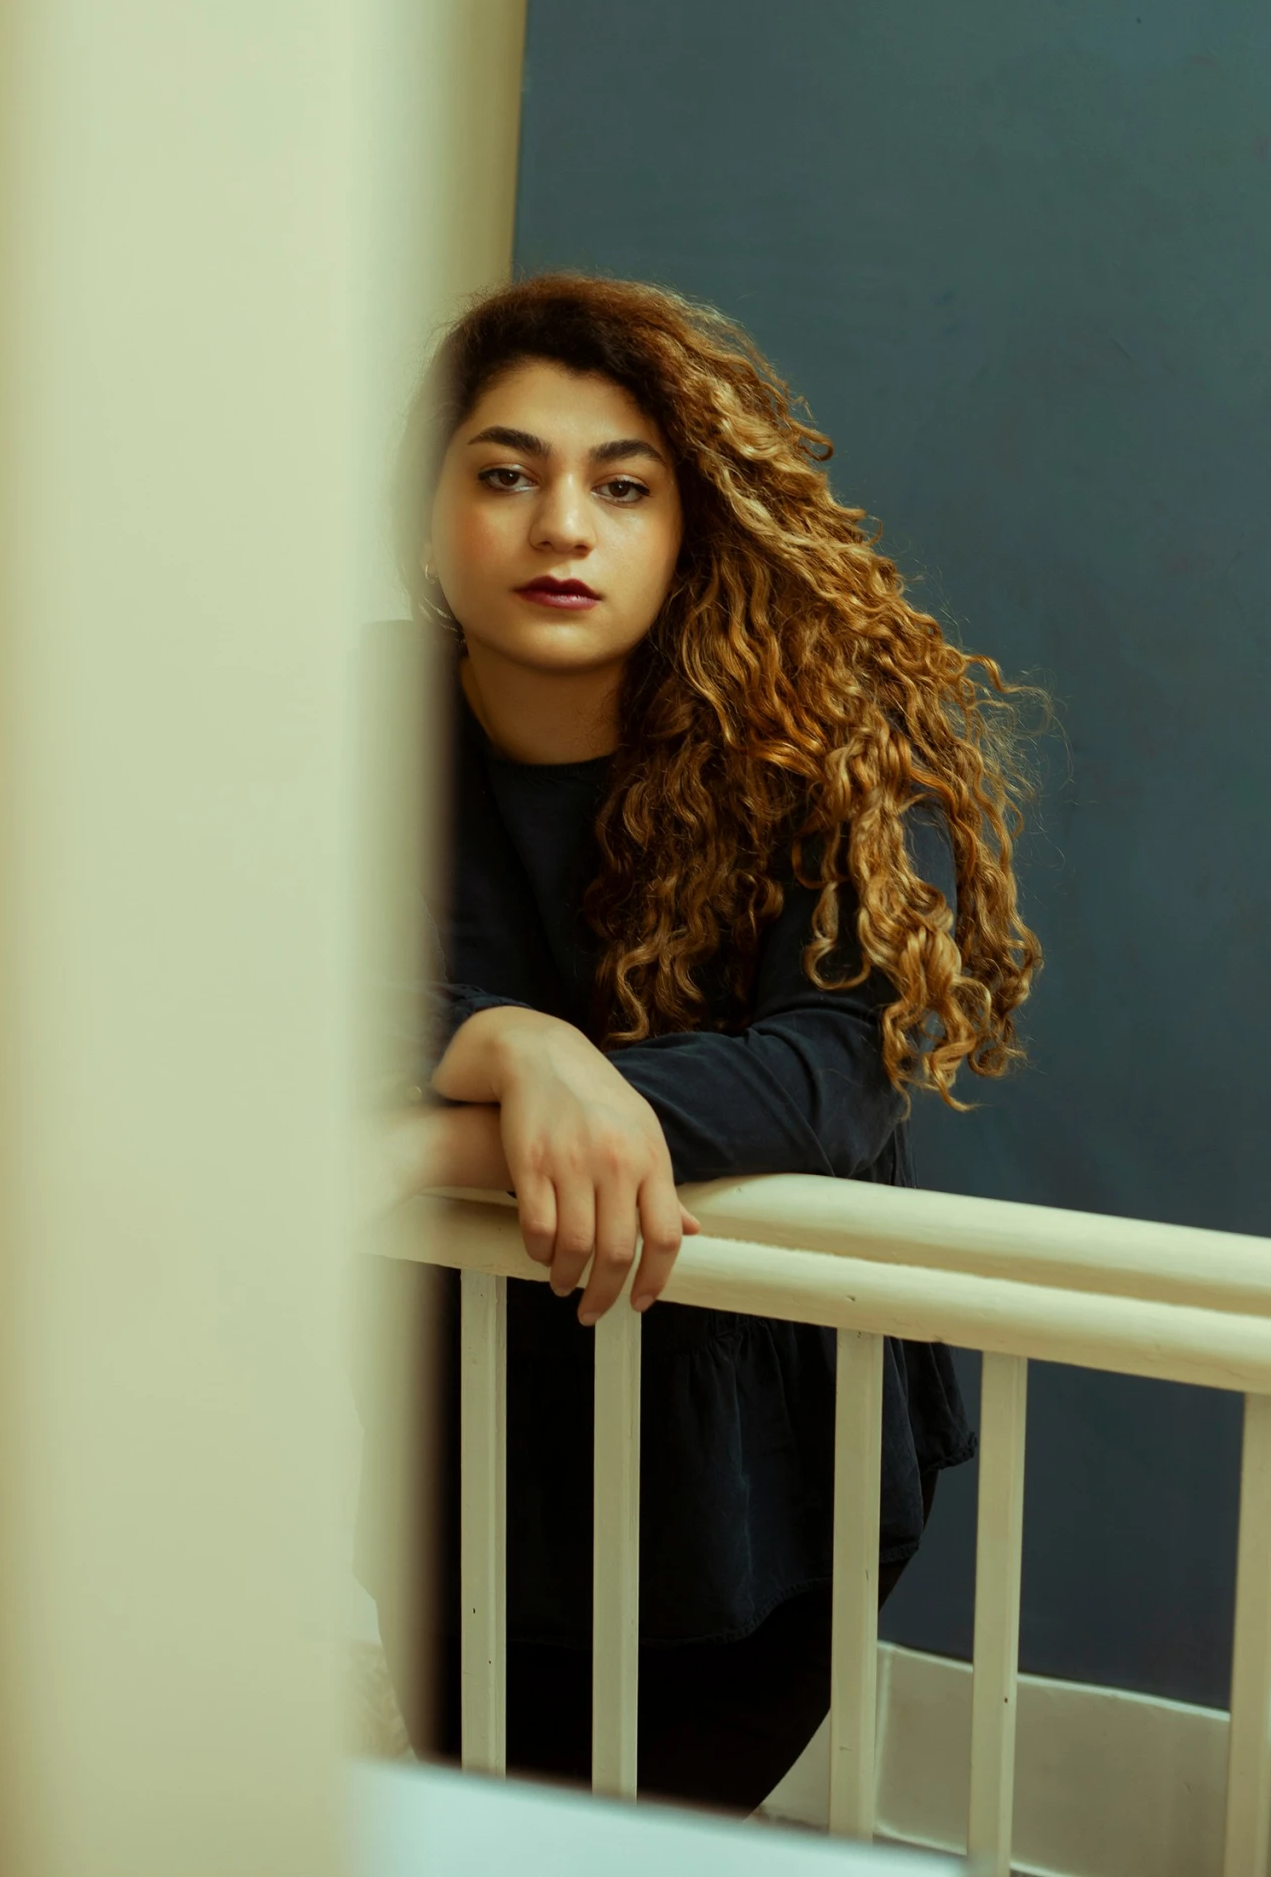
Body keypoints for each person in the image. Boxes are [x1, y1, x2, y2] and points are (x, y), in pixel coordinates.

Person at [361, 271, 1040, 1816]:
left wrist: (424, 1132)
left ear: (686, 531)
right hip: (468, 1445)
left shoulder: (791, 759)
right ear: (426, 513)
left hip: (765, 1469)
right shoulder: (338, 724)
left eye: (621, 485)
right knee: (481, 1816)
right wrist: (524, 1048)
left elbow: (823, 1080)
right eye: (504, 472)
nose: (560, 528)